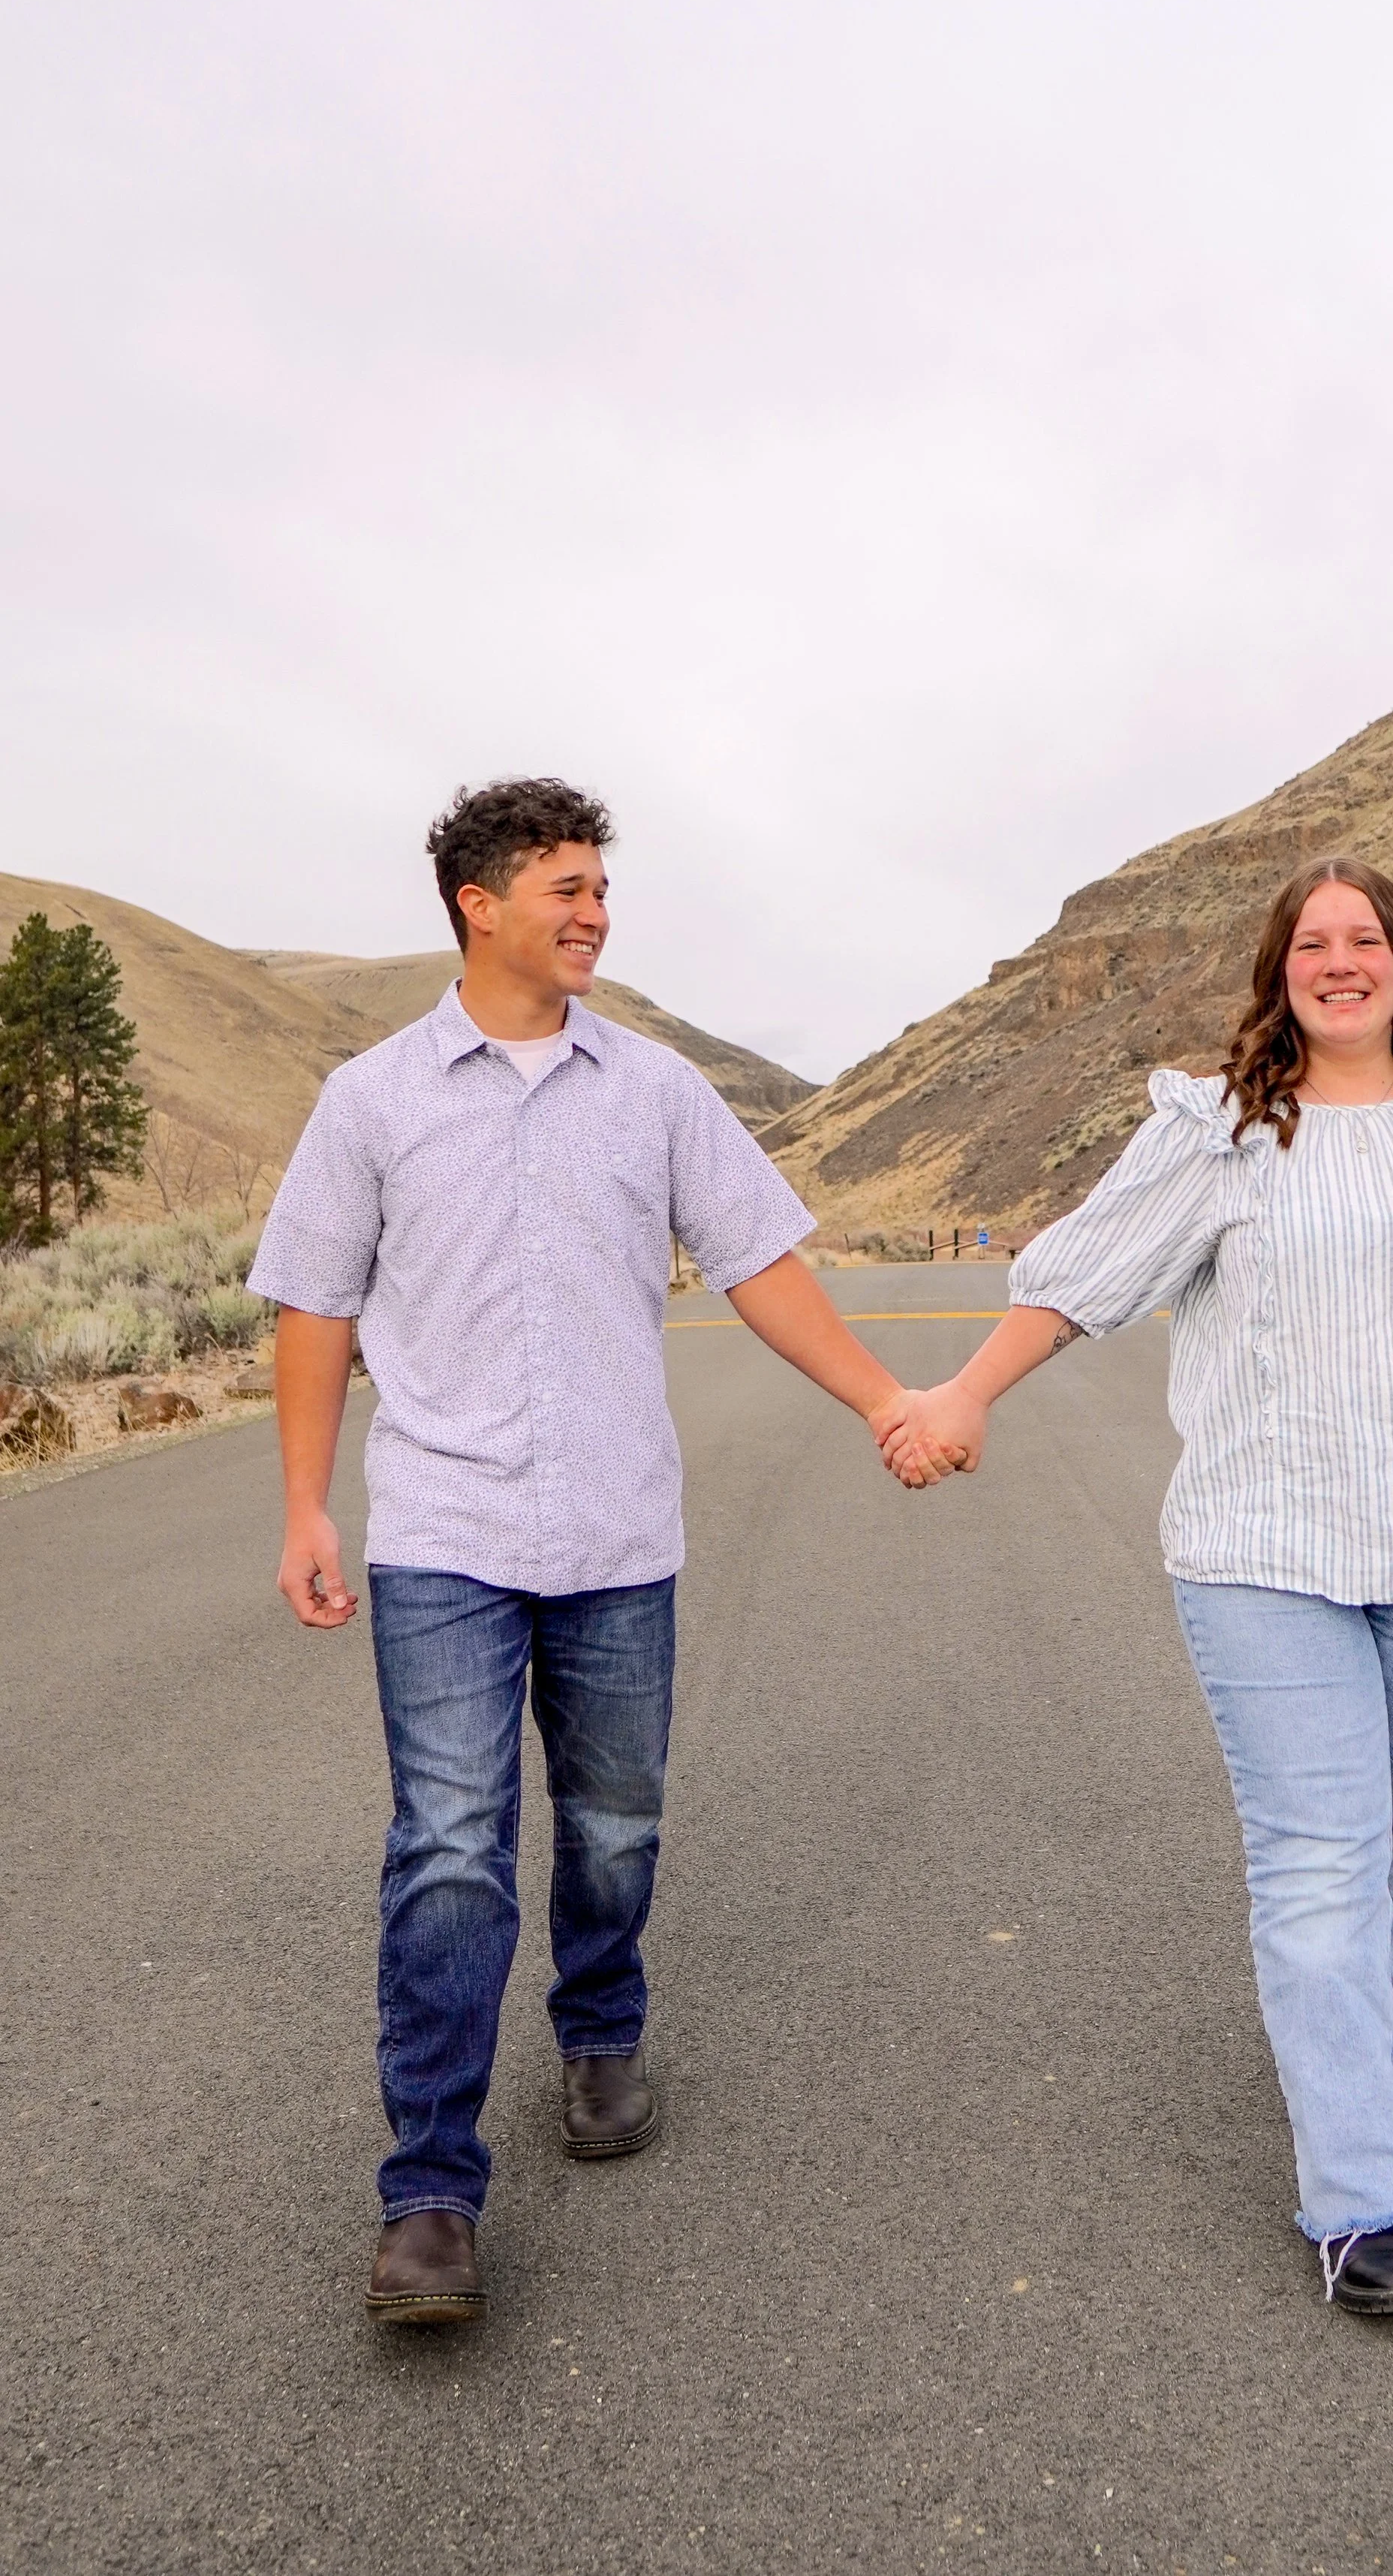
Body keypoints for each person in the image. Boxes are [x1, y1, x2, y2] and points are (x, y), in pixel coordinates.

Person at [250, 779, 947, 2326]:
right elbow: (315, 1306)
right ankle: (429, 2188)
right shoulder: (370, 1100)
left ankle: (600, 2023)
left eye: (599, 888)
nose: (591, 912)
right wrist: (307, 1504)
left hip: (620, 1530)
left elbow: (760, 1264)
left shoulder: (657, 1092)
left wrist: (882, 1397)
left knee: (615, 1822)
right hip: (444, 1528)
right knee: (446, 1847)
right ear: (474, 905)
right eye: (562, 886)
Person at [874, 856, 1393, 2316]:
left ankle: (1371, 2013)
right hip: (1265, 1548)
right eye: (1310, 943)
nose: (1339, 961)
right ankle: (1363, 2203)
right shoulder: (1216, 1132)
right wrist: (961, 1393)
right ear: (1278, 970)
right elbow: (1079, 1280)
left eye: (1364, 939)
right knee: (1314, 1856)